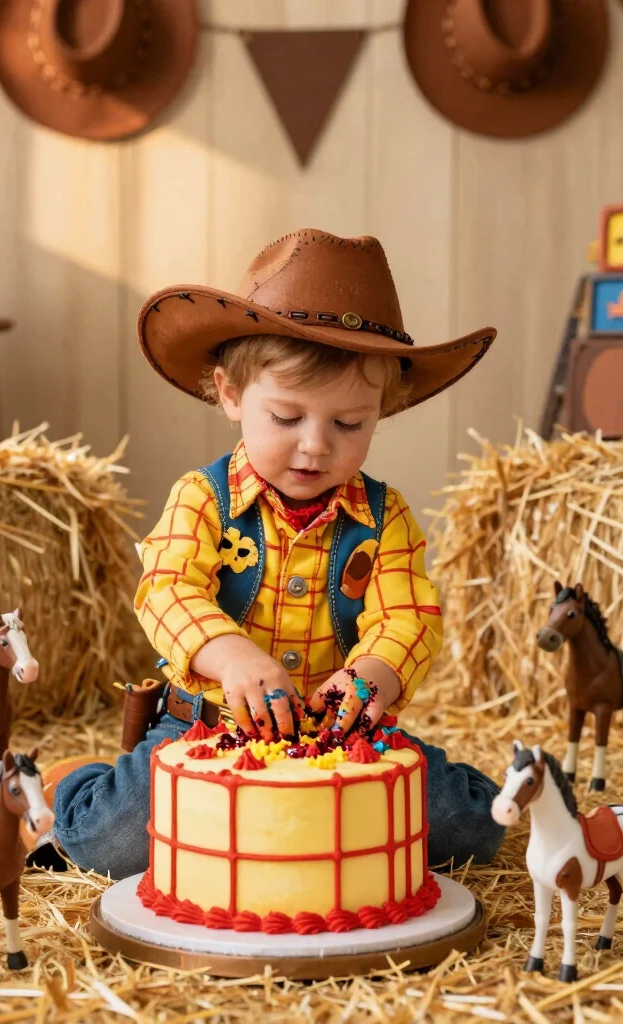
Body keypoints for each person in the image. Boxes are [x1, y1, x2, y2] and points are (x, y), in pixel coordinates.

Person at [48, 228, 504, 878]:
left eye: (349, 423)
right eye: (287, 418)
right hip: (211, 724)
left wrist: (373, 674)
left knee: (468, 833)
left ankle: (497, 793)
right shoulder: (202, 498)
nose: (316, 445)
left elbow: (407, 617)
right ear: (231, 394)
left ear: (381, 409)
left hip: (341, 731)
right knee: (112, 845)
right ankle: (74, 786)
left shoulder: (386, 518)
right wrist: (229, 654)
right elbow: (168, 590)